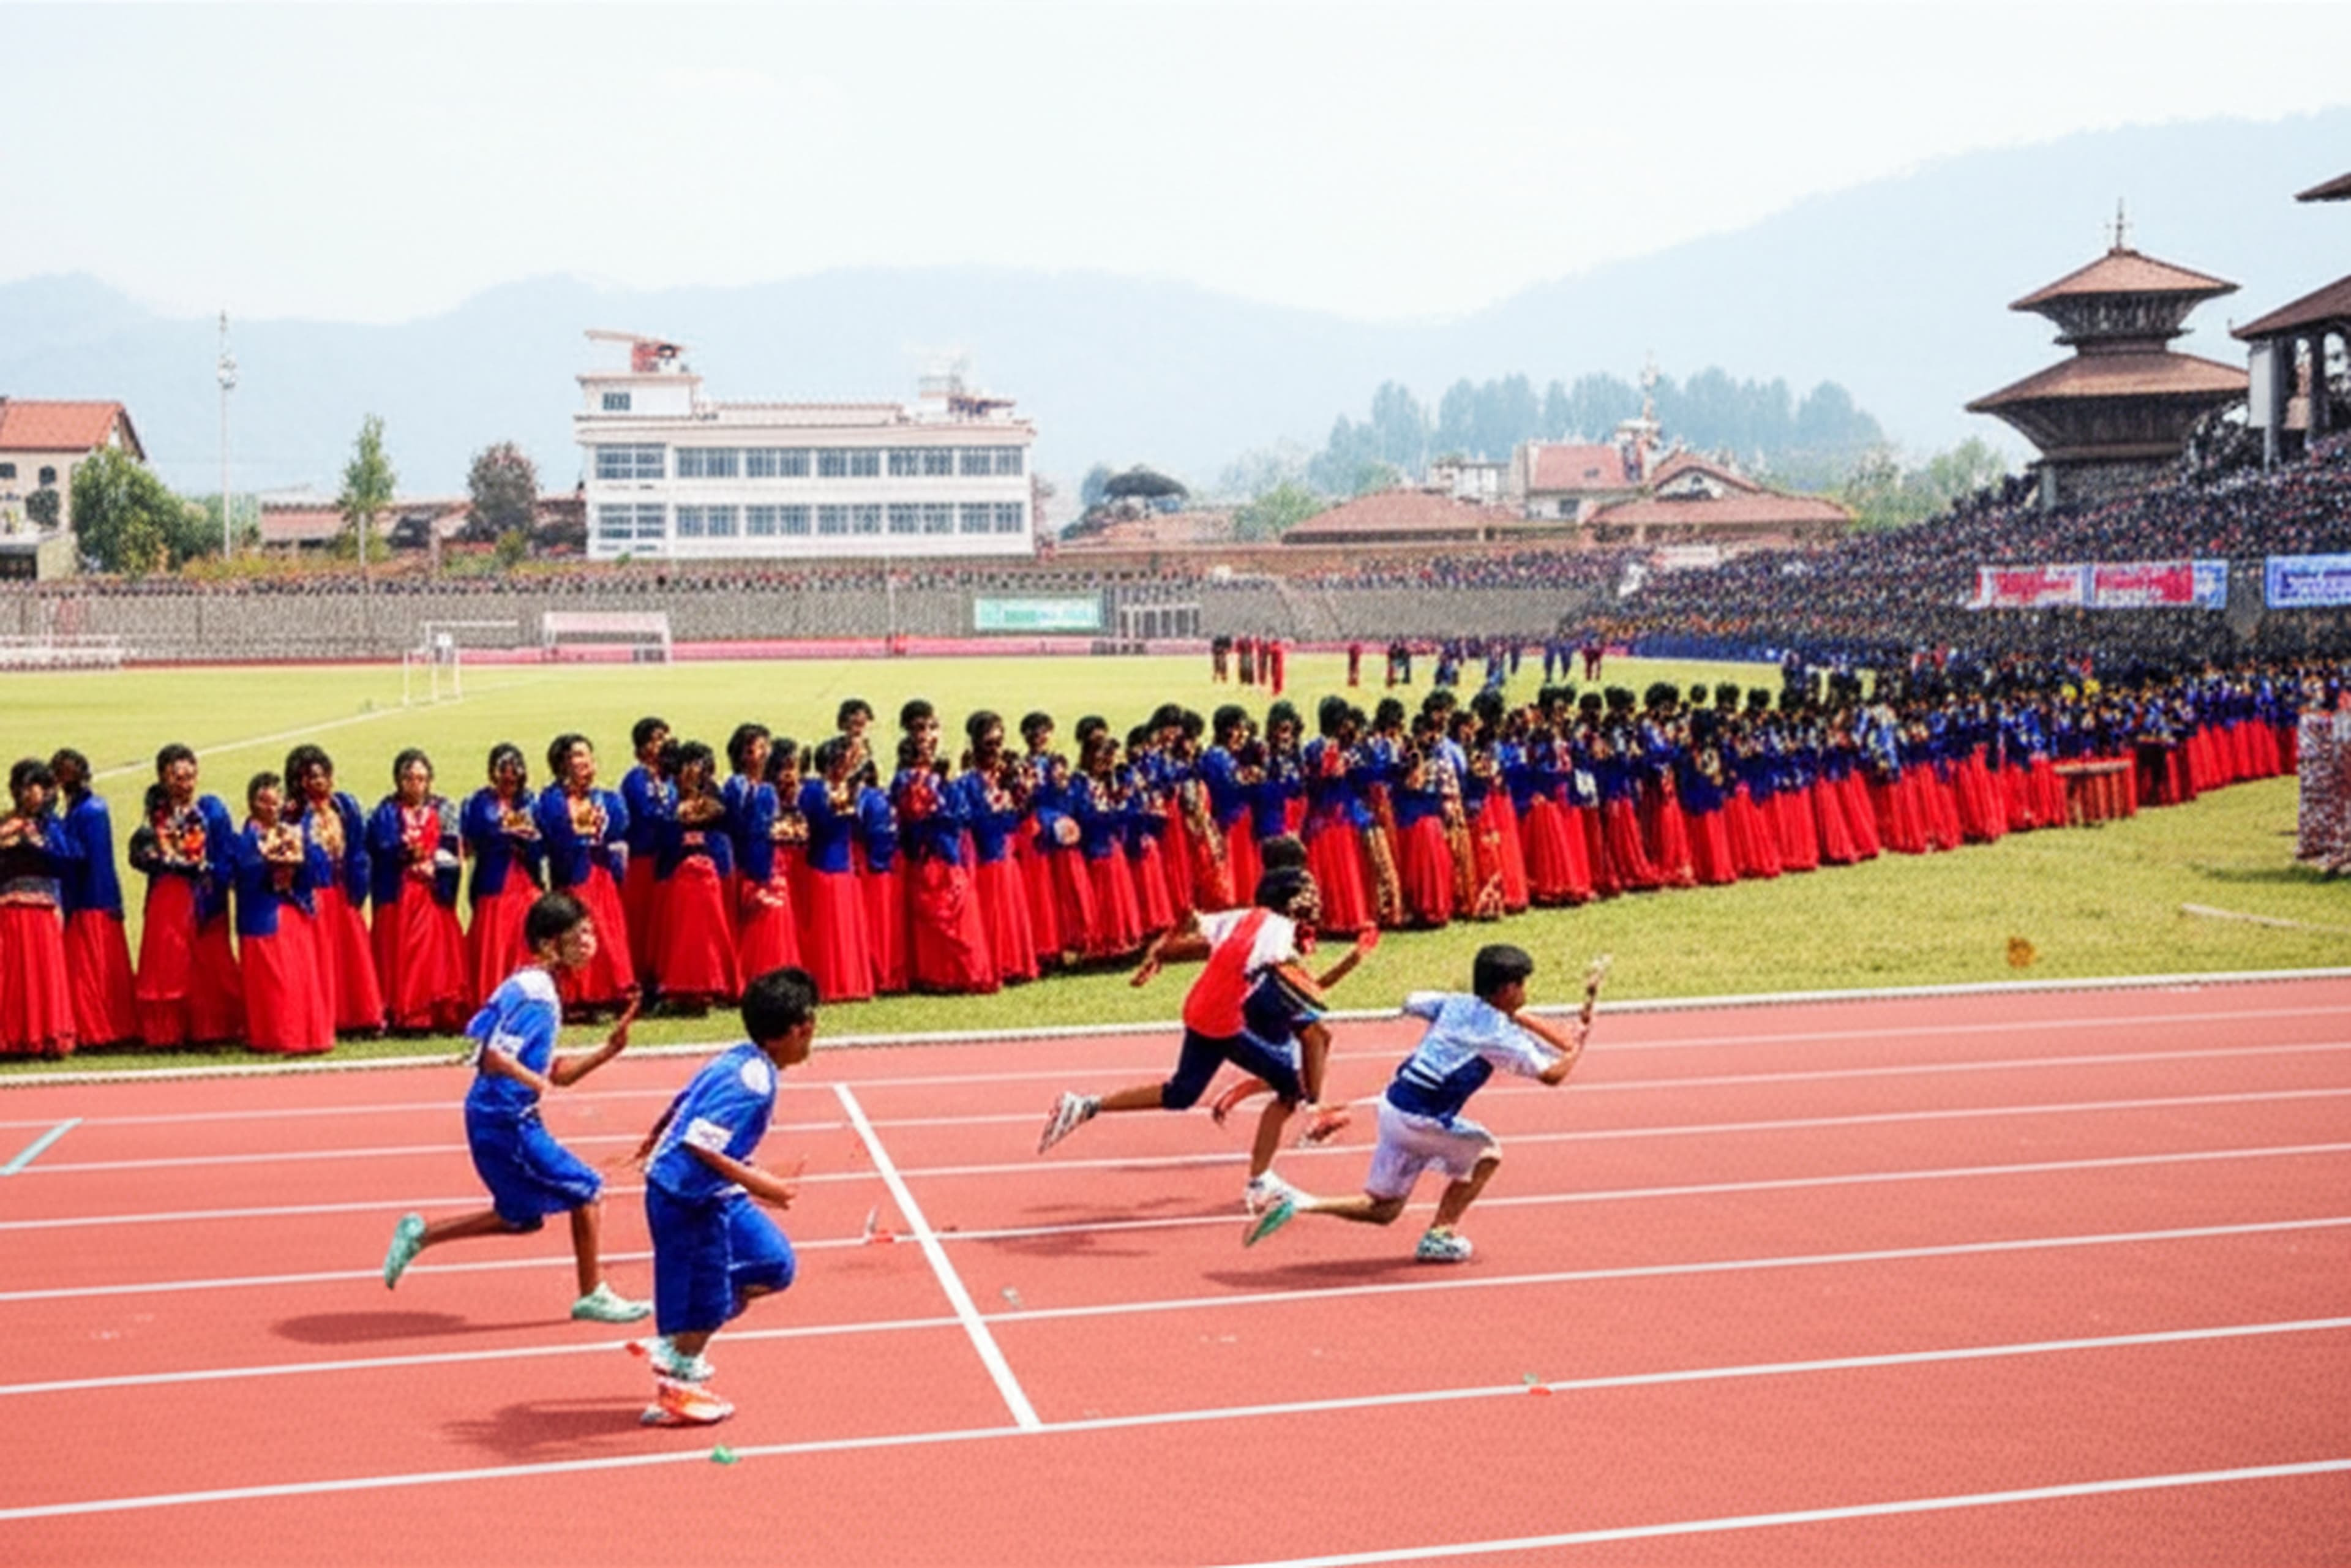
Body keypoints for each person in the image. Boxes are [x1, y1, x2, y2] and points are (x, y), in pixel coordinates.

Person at [381, 890, 652, 1324]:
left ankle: (421, 1235)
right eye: (580, 935)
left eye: (590, 933)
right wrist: (533, 1081)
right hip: (505, 1120)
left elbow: (556, 1073)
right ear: (549, 944)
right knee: (587, 1189)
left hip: (502, 1116)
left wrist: (608, 1051)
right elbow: (494, 1057)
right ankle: (592, 1295)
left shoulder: (535, 986)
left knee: (520, 1219)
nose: (590, 943)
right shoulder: (536, 995)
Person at [1037, 867, 1368, 1212]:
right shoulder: (1280, 936)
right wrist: (1314, 1098)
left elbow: (1192, 926)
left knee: (1181, 1093)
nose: (1313, 900)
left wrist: (1159, 955)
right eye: (1305, 893)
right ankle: (1260, 1182)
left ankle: (1086, 1106)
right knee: (1290, 1091)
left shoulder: (1242, 917)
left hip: (1200, 1008)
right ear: (1287, 899)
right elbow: (1306, 998)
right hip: (1226, 1020)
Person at [1244, 945, 1604, 1261]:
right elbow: (1553, 1074)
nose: (1525, 991)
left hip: (1393, 1107)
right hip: (1421, 1120)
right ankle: (1440, 1235)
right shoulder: (1498, 1034)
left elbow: (1411, 1000)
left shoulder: (1455, 1004)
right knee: (1487, 1154)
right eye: (1522, 985)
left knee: (1384, 1210)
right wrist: (1579, 1045)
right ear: (1508, 989)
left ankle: (1301, 1202)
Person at [626, 965, 816, 1425]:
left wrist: (652, 1140)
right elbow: (699, 1142)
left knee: (774, 1264)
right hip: (686, 1199)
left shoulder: (742, 1058)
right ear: (798, 1029)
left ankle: (678, 1334)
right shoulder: (751, 1082)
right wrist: (762, 1184)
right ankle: (677, 1387)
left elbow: (684, 1101)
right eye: (811, 1026)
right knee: (707, 1298)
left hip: (711, 1191)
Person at [127, 743, 243, 1048]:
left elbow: (227, 856)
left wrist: (210, 874)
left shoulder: (211, 811)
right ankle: (167, 1032)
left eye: (190, 777)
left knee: (209, 962)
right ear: (163, 778)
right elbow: (140, 857)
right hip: (168, 895)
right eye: (177, 778)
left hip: (205, 895)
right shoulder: (156, 816)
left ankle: (212, 1029)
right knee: (167, 961)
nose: (185, 784)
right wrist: (158, 858)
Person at [285, 745, 384, 1036]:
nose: (319, 782)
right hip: (315, 893)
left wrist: (358, 882)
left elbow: (358, 848)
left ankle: (359, 1016)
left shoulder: (343, 807)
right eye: (311, 777)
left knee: (351, 956)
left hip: (343, 892)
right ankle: (327, 1016)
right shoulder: (294, 815)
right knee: (321, 957)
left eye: (323, 775)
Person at [232, 771, 334, 1055]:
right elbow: (239, 874)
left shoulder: (294, 831)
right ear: (252, 803)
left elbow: (318, 871)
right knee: (273, 980)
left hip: (294, 909)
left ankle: (307, 1035)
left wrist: (299, 859)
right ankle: (275, 1037)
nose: (271, 808)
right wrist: (266, 864)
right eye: (264, 802)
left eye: (275, 802)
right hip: (260, 915)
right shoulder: (244, 838)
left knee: (299, 977)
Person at [368, 749, 468, 1035]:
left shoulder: (443, 809)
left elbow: (452, 849)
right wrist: (405, 854)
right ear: (398, 781)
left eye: (421, 779)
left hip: (433, 892)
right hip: (401, 894)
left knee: (435, 955)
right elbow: (381, 847)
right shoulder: (387, 811)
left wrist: (435, 866)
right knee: (403, 953)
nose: (415, 785)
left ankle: (436, 1010)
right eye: (409, 779)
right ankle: (406, 1013)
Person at [45, 749, 139, 1049]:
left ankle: (99, 1030)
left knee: (90, 972)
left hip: (91, 901)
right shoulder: (84, 808)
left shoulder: (91, 811)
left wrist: (51, 823)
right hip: (91, 899)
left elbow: (79, 857)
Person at [0, 759, 75, 1058]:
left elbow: (67, 862)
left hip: (43, 908)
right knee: (13, 974)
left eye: (40, 788)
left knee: (43, 975)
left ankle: (46, 1035)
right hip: (9, 907)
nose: (35, 794)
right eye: (29, 787)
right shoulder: (5, 824)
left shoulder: (52, 826)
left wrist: (35, 843)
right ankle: (12, 1036)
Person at [462, 743, 546, 1008]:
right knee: (495, 940)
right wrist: (508, 834)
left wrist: (528, 839)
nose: (509, 779)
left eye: (514, 773)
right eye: (503, 772)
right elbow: (479, 835)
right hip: (495, 881)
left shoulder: (530, 801)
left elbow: (542, 839)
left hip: (526, 879)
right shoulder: (481, 802)